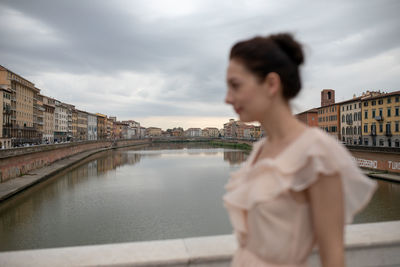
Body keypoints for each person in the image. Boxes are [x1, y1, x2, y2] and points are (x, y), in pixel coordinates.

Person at [223, 33, 377, 267]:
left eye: (235, 85)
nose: (227, 98)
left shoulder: (317, 152)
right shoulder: (261, 149)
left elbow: (333, 257)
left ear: (271, 84)